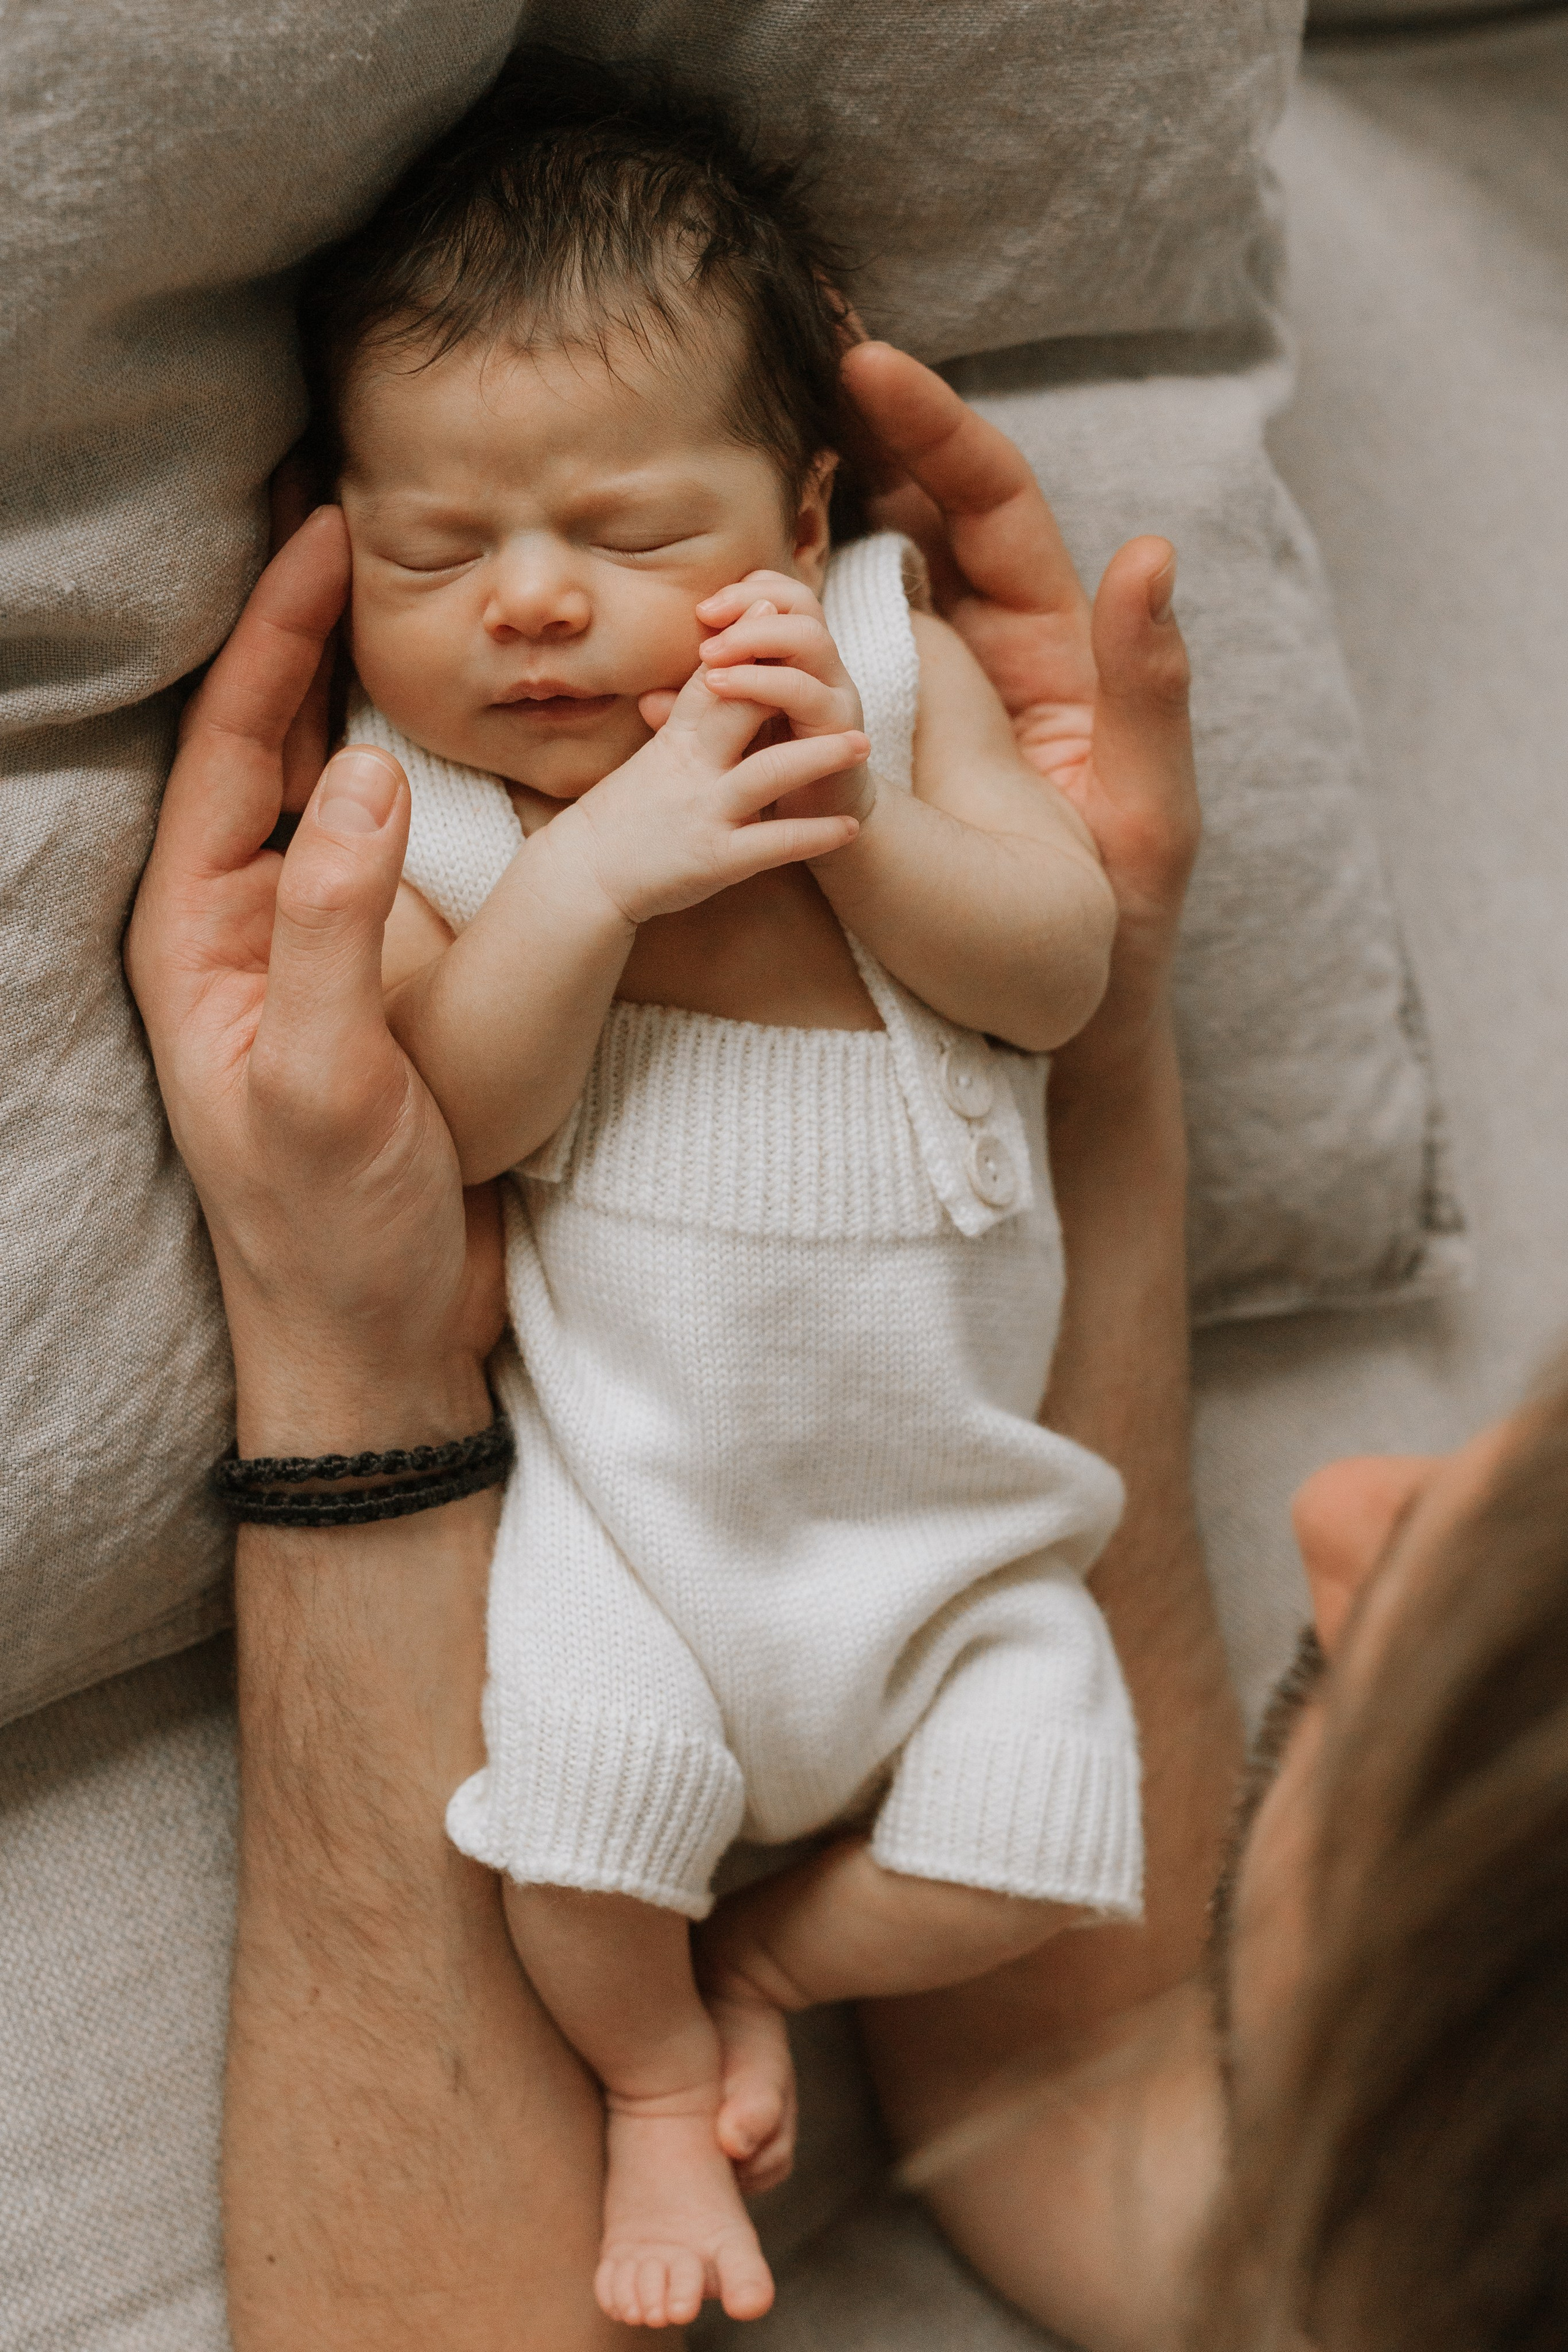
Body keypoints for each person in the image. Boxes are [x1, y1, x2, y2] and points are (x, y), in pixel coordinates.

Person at [291, 59, 1137, 2327]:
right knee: (572, 1835)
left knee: (1040, 1847)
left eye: (632, 535)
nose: (534, 612)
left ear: (800, 511)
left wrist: (863, 824)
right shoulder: (424, 813)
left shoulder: (885, 661)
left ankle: (777, 1957)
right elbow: (456, 1124)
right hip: (638, 1537)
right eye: (436, 556)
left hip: (963, 1522)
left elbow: (1060, 972)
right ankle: (665, 2092)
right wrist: (597, 884)